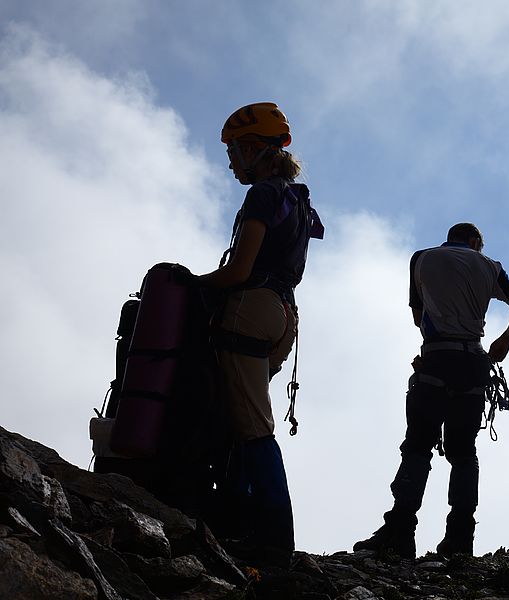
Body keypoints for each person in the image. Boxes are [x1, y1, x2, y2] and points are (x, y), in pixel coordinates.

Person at [354, 223, 509, 559]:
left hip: (436, 358)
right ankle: (460, 539)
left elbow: (418, 316)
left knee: (418, 446)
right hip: (473, 362)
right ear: (475, 241)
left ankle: (400, 531)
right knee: (463, 453)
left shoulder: (422, 258)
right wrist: (504, 341)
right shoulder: (491, 267)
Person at [196, 102, 323, 565]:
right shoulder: (297, 198)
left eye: (233, 150)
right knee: (241, 415)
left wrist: (191, 283)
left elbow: (239, 270)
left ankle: (272, 539)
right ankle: (238, 521)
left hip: (251, 307)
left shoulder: (264, 195)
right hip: (284, 315)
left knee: (251, 427)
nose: (230, 160)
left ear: (253, 149)